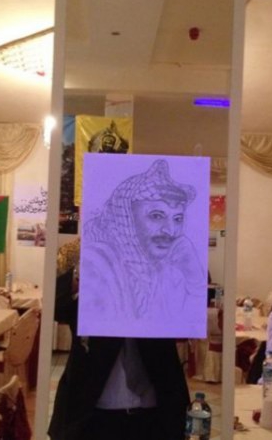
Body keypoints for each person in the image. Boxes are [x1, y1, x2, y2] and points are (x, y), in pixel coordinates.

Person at [48, 252, 190, 440]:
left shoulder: (163, 251)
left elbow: (190, 308)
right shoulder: (79, 254)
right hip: (92, 410)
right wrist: (81, 274)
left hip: (155, 411)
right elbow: (54, 307)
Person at [80, 159, 206, 326]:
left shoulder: (165, 271)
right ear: (126, 218)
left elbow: (188, 323)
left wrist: (194, 277)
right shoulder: (97, 263)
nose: (171, 231)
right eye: (156, 216)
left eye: (177, 219)